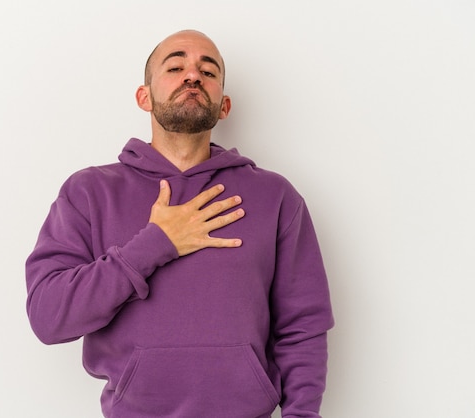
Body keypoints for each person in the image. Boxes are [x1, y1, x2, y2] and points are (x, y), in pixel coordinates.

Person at [26, 29, 334, 418]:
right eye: (175, 66)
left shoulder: (275, 197)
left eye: (208, 71)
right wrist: (155, 244)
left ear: (224, 106)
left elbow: (303, 326)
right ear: (144, 96)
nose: (192, 76)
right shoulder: (89, 192)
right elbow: (48, 317)